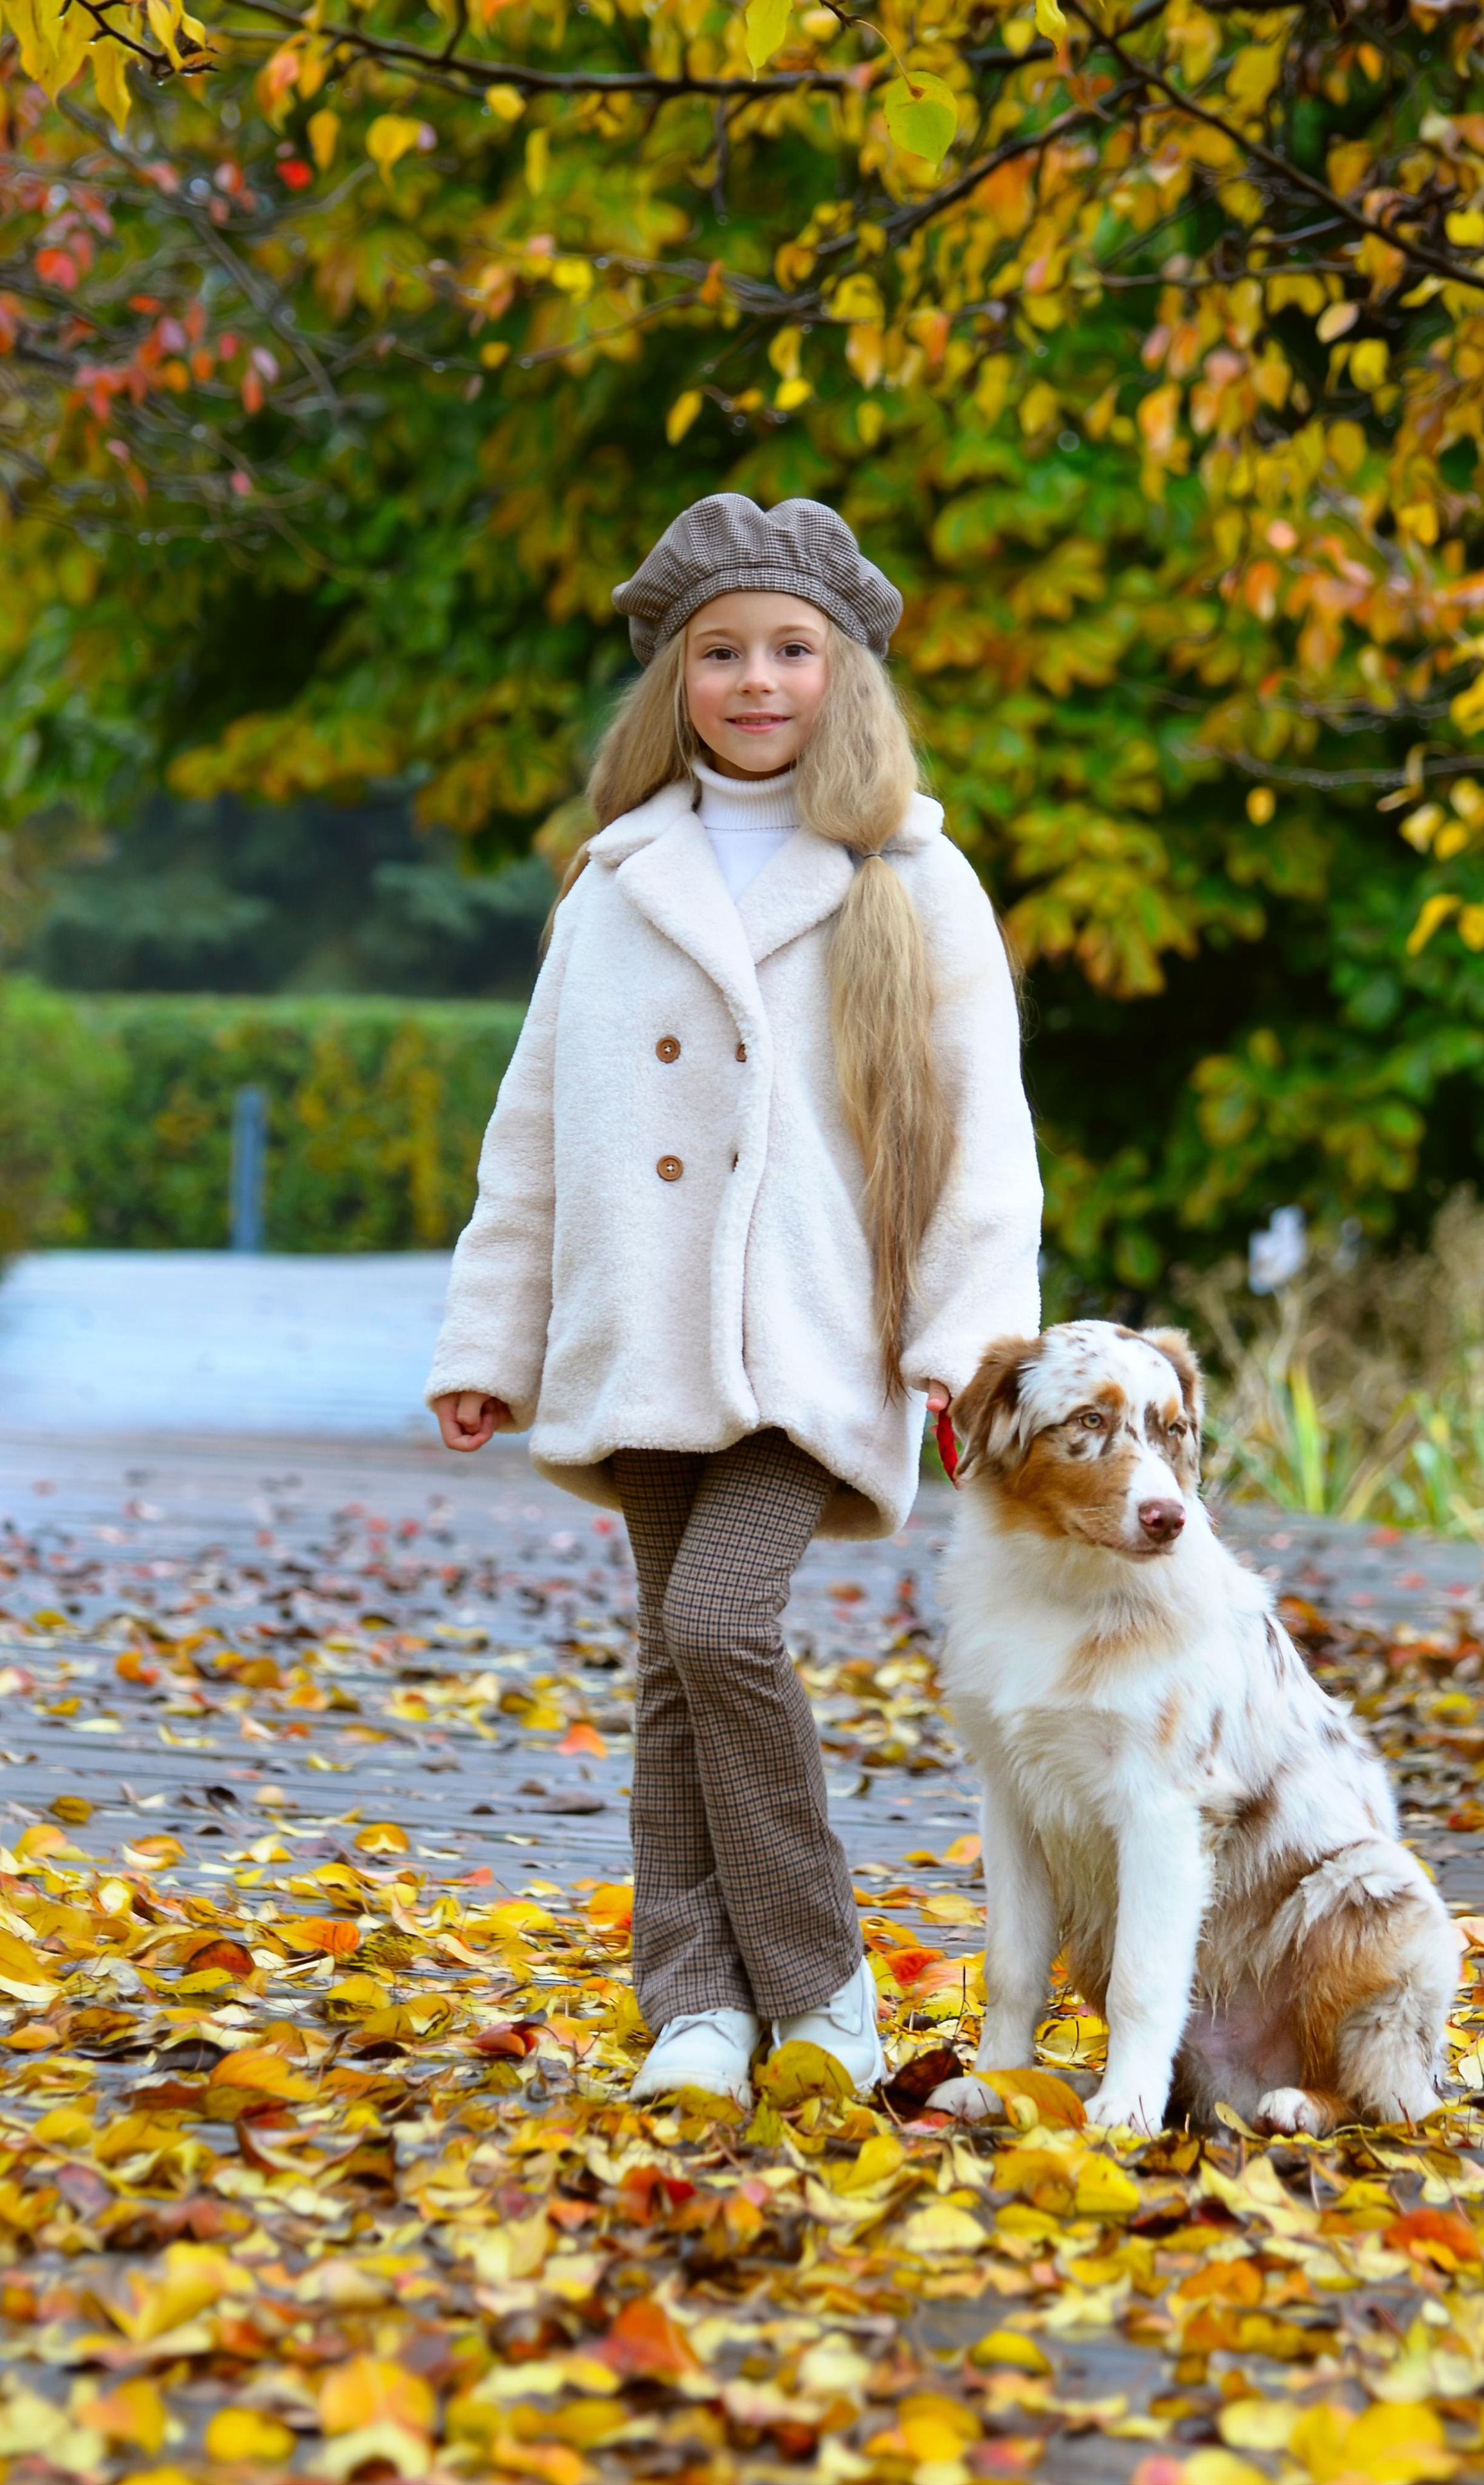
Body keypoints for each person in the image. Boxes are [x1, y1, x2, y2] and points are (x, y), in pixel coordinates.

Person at [427, 493, 1042, 2110]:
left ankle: (817, 1982)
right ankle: (692, 2007)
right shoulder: (615, 879)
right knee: (663, 1665)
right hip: (635, 1338)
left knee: (718, 1625)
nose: (755, 680)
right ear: (674, 678)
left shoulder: (911, 876)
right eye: (721, 653)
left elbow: (984, 1139)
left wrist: (966, 1358)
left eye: (789, 649)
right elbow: (536, 1130)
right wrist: (491, 1340)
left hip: (816, 1344)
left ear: (842, 671)